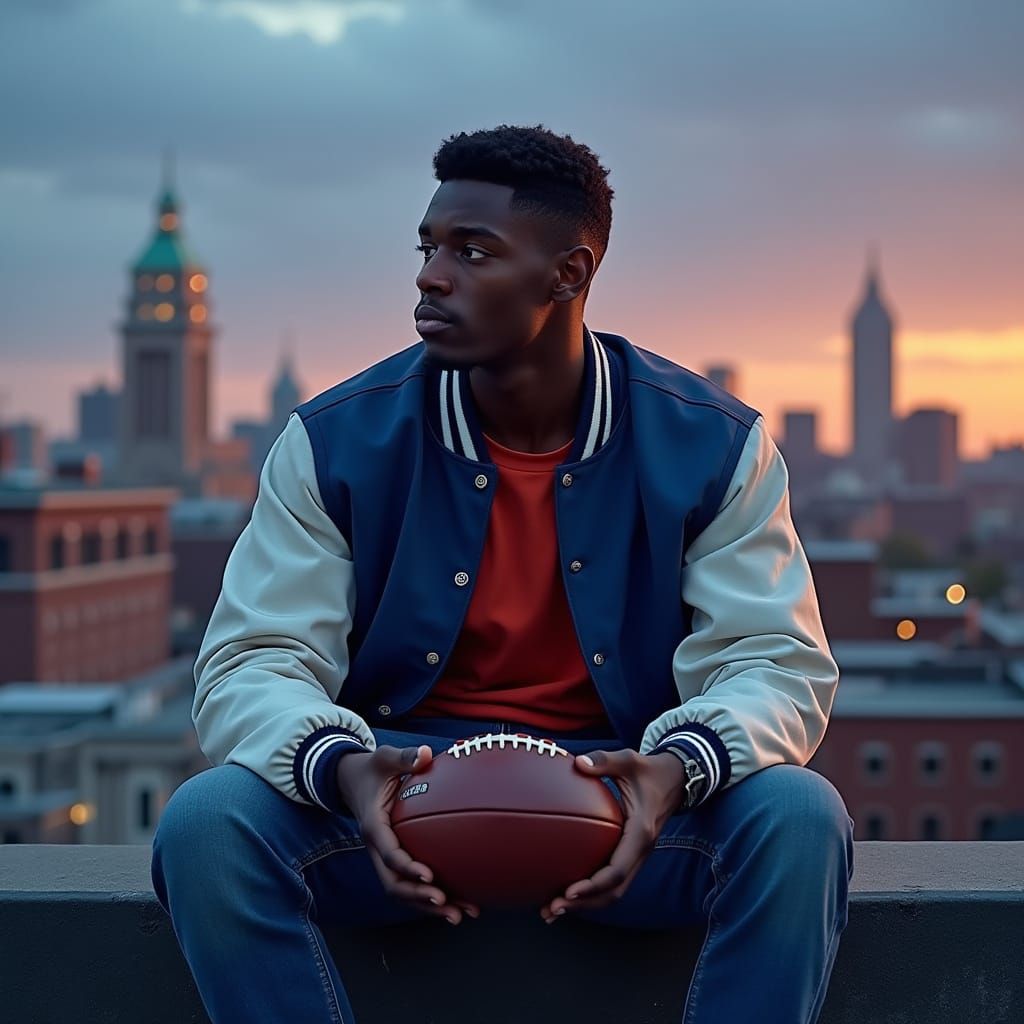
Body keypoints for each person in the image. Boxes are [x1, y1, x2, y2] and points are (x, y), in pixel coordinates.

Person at [151, 123, 855, 1023]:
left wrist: (676, 769)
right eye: (428, 248)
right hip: (395, 799)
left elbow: (776, 663)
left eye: (473, 252)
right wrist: (343, 768)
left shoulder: (713, 444)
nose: (431, 276)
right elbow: (252, 661)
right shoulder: (333, 442)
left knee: (799, 817)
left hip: (628, 804)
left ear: (568, 273)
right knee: (208, 824)